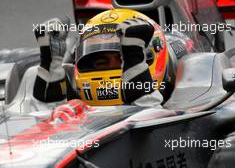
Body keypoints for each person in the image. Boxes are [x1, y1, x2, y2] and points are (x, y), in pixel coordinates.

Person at [33, 9, 171, 107]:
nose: (112, 67)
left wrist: (140, 89)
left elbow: (151, 119)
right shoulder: (70, 91)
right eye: (101, 63)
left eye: (123, 59)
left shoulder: (180, 99)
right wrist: (51, 65)